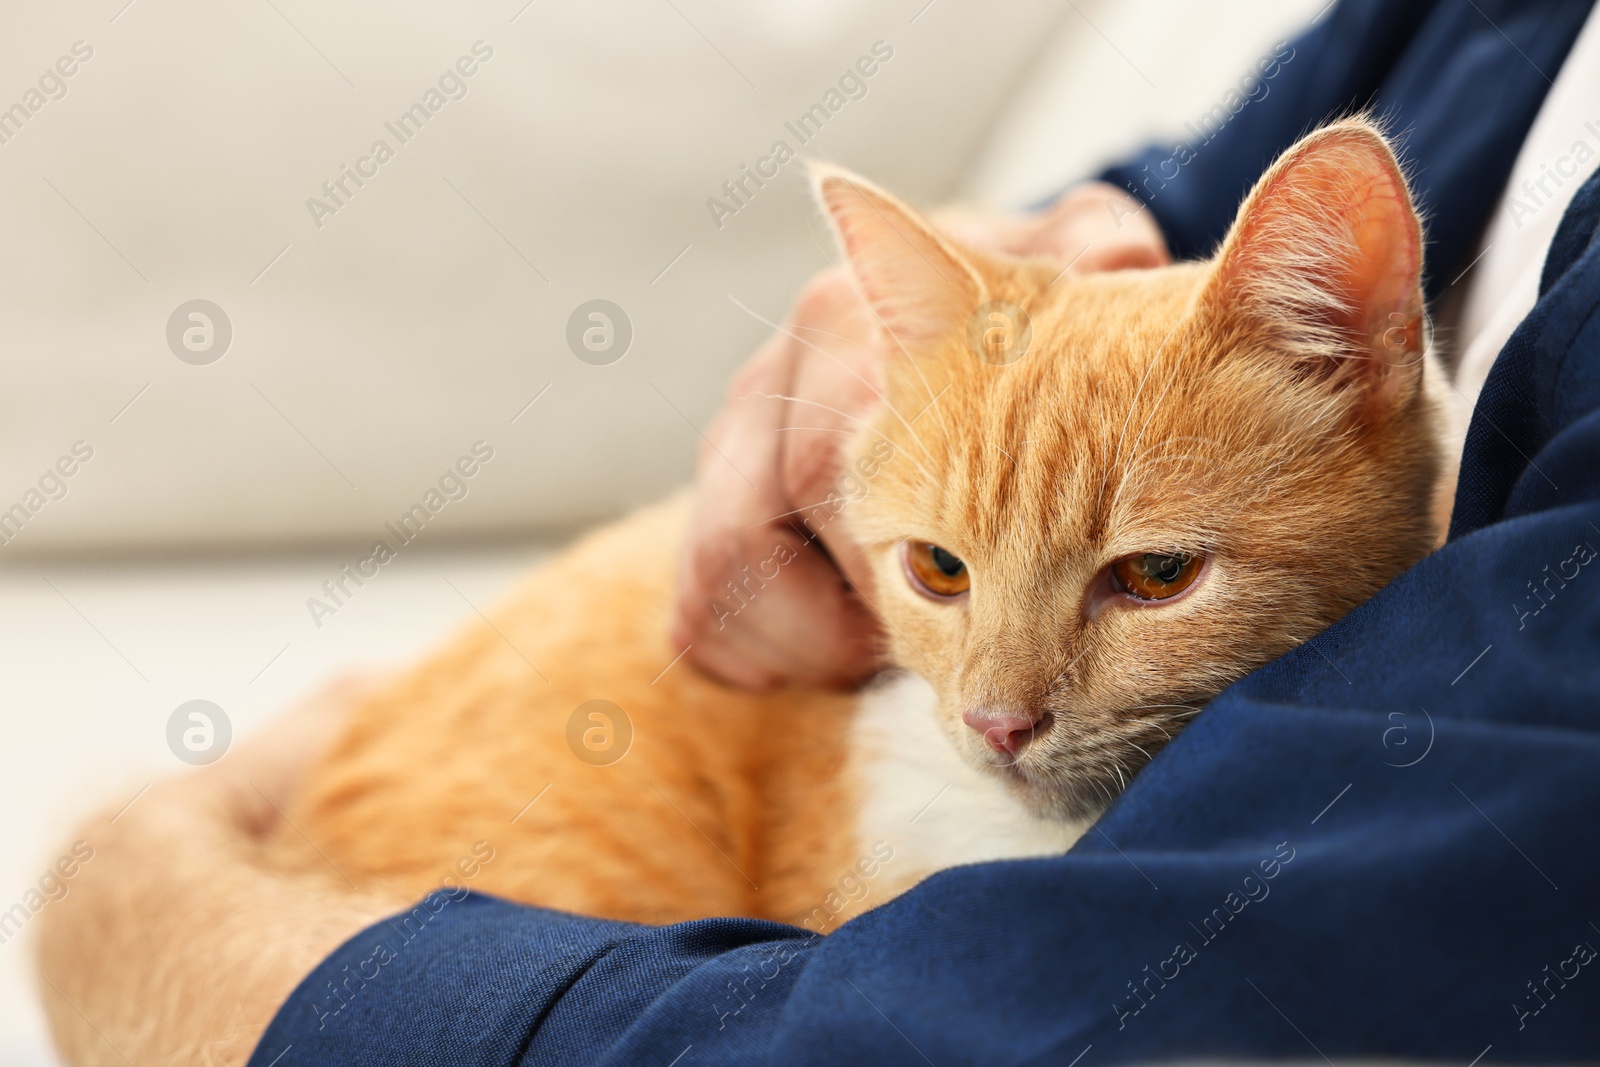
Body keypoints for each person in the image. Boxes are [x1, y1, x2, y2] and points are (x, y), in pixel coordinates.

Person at [38, 0, 1600, 1063]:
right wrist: (998, 286)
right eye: (941, 577)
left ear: (1362, 360)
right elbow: (1134, 225)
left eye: (1150, 577)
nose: (997, 704)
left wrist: (141, 914)